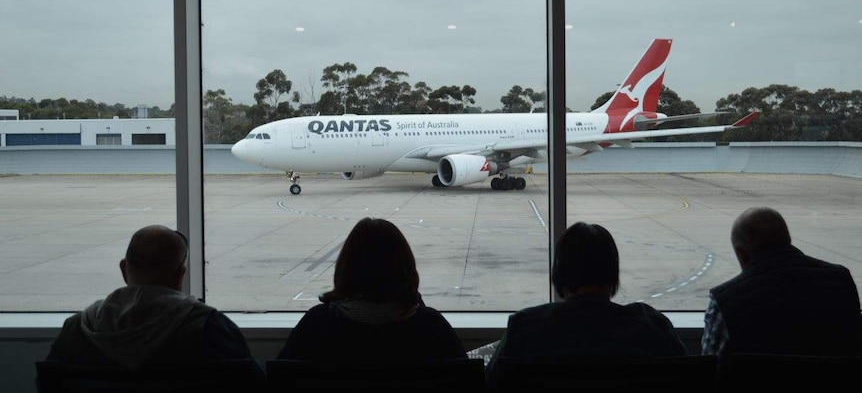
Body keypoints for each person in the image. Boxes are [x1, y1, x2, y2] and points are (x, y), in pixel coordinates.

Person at [485, 222, 686, 389]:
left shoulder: (525, 328)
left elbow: (488, 385)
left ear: (559, 275)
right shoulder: (653, 327)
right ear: (613, 275)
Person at [45, 224, 261, 373]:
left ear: (124, 269)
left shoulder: (77, 328)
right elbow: (253, 383)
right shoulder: (209, 327)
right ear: (180, 275)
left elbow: (51, 381)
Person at [277, 217, 467, 363]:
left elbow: (278, 377)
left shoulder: (316, 324)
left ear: (346, 267)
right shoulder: (431, 326)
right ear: (405, 266)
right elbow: (468, 380)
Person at [702, 206, 862, 356]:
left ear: (742, 253)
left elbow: (710, 366)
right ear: (788, 239)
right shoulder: (841, 281)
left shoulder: (725, 301)